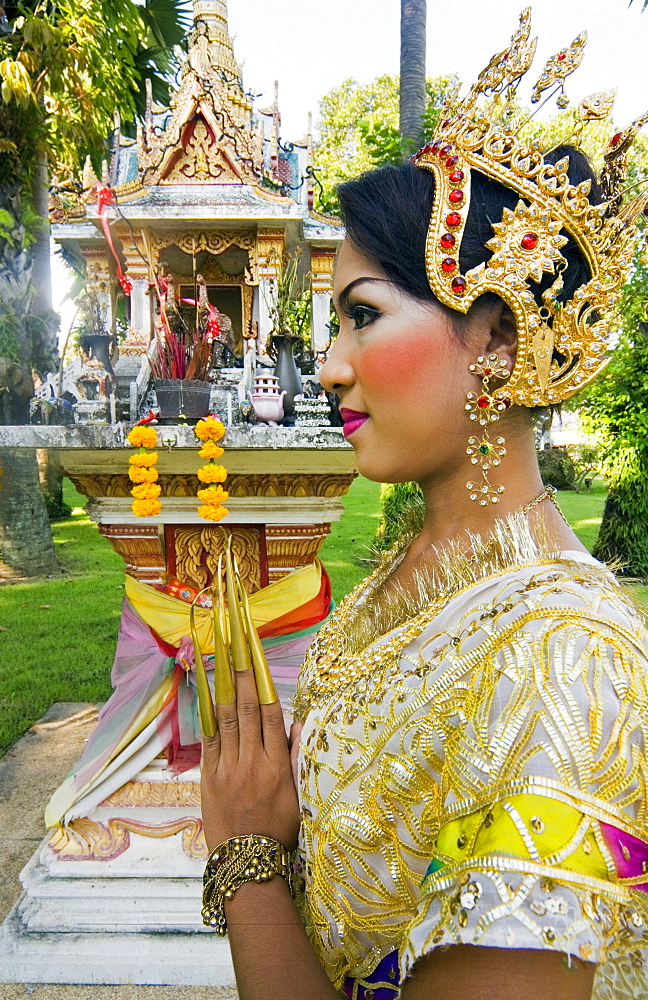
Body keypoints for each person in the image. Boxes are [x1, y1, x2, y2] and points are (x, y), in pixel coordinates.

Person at [197, 13, 648, 1000]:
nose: (327, 367)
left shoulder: (568, 666)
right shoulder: (402, 580)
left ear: (490, 334)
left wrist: (244, 861)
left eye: (361, 315)